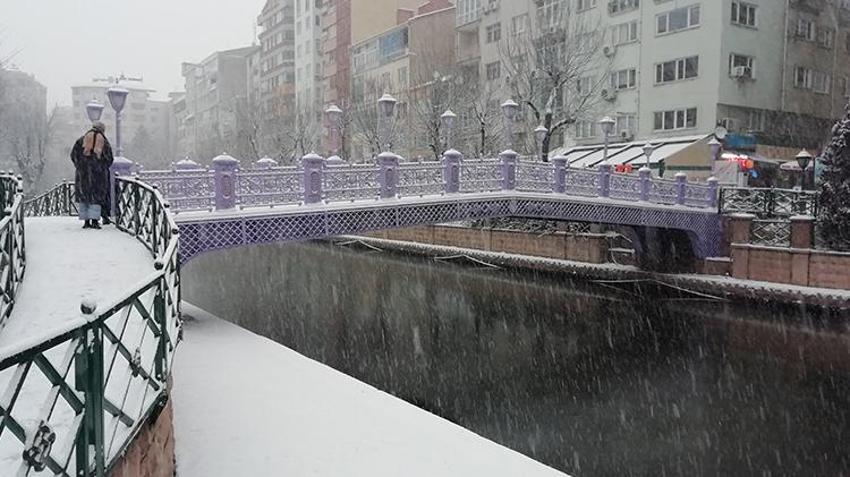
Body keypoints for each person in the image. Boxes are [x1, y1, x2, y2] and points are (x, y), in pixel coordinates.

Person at [70, 122, 114, 229]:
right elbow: (109, 158)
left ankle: (86, 222)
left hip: (83, 174)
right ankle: (94, 221)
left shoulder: (81, 140)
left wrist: (80, 165)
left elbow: (73, 155)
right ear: (102, 130)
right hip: (98, 175)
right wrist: (101, 166)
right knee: (96, 198)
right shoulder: (104, 141)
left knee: (85, 197)